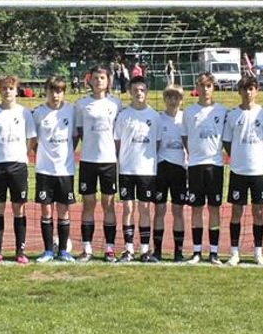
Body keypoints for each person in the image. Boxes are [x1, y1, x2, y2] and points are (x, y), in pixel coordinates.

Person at [0, 75, 36, 264]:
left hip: (18, 165)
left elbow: (31, 138)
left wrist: (22, 154)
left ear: (16, 90)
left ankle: (20, 251)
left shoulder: (24, 113)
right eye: (4, 88)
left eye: (11, 88)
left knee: (18, 208)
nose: (7, 91)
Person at [222, 75, 263, 266]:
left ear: (256, 91)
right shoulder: (232, 114)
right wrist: (238, 156)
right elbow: (227, 142)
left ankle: (258, 253)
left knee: (258, 212)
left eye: (251, 89)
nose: (248, 92)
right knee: (236, 211)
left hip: (258, 170)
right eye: (244, 89)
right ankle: (235, 253)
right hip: (238, 170)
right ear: (239, 91)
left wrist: (256, 155)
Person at [74, 66, 122, 262]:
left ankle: (109, 248)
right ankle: (87, 248)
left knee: (109, 204)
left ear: (108, 81)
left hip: (109, 161)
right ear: (90, 80)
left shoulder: (116, 104)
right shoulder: (81, 104)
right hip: (88, 161)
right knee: (88, 204)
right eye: (95, 78)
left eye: (102, 77)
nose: (99, 81)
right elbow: (80, 131)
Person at [181, 72, 228, 264]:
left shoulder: (222, 111)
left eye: (209, 86)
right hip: (195, 166)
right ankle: (197, 251)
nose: (205, 89)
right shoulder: (189, 112)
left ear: (213, 88)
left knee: (214, 209)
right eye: (202, 85)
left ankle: (214, 252)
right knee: (196, 209)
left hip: (215, 165)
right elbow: (185, 137)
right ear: (197, 88)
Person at [113, 75, 161, 262]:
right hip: (127, 169)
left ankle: (144, 250)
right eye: (135, 90)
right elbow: (117, 142)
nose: (139, 93)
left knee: (145, 209)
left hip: (147, 170)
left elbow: (156, 143)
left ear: (147, 92)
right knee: (127, 208)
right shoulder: (123, 116)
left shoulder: (154, 116)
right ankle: (129, 249)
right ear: (130, 93)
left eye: (142, 90)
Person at [32, 76, 77, 263]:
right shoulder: (38, 113)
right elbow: (34, 141)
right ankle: (48, 250)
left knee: (64, 212)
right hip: (44, 170)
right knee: (46, 212)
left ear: (64, 92)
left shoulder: (72, 111)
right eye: (52, 90)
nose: (55, 94)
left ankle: (64, 251)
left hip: (65, 170)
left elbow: (75, 137)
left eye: (59, 91)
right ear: (46, 91)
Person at [154, 85, 187, 263]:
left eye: (177, 98)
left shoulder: (185, 118)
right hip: (162, 167)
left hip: (180, 169)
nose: (173, 101)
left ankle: (178, 251)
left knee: (178, 211)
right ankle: (157, 251)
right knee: (159, 209)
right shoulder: (158, 119)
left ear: (181, 100)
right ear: (165, 99)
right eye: (170, 97)